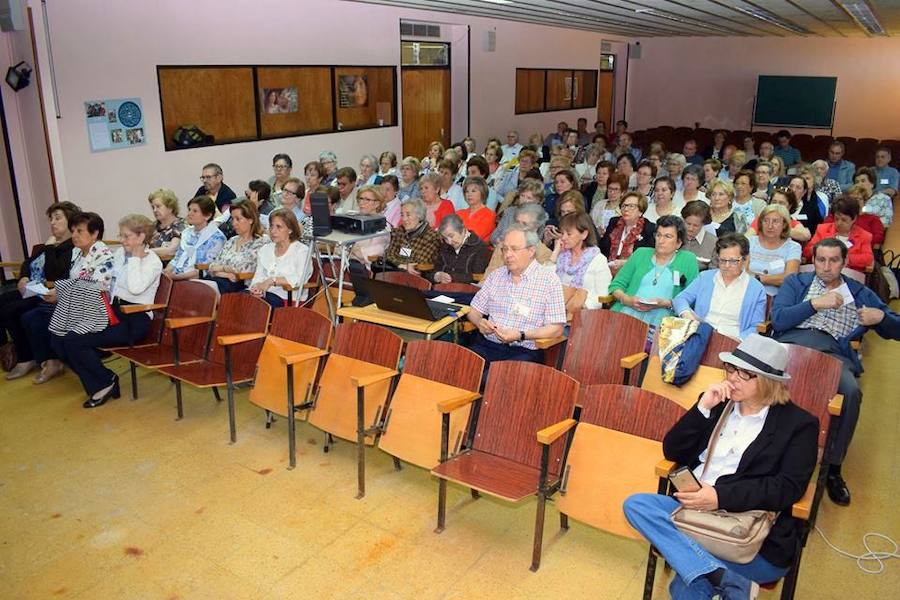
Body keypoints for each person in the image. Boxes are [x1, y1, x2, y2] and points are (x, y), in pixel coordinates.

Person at [623, 334, 818, 600]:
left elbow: (787, 487)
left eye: (744, 373)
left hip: (750, 538)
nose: (733, 378)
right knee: (636, 505)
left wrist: (718, 496)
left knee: (685, 589)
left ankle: (705, 571)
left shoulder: (799, 425)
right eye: (731, 368)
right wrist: (702, 408)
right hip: (693, 517)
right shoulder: (717, 403)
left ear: (769, 381)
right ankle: (719, 575)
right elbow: (673, 451)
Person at [771, 238, 900, 505]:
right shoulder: (797, 283)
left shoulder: (859, 292)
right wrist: (814, 304)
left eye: (833, 261)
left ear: (844, 262)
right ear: (813, 261)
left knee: (850, 392)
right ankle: (760, 448)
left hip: (832, 352)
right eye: (821, 260)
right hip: (791, 345)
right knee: (756, 375)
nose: (826, 266)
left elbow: (896, 328)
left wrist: (881, 318)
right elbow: (779, 320)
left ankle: (833, 467)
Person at [50, 214, 162, 408]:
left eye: (126, 236)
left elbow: (135, 288)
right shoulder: (119, 255)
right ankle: (102, 379)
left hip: (135, 319)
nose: (121, 240)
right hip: (112, 311)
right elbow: (107, 284)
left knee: (74, 340)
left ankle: (104, 383)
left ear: (141, 237)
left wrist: (136, 258)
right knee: (59, 337)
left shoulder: (153, 262)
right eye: (121, 235)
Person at [22, 212, 114, 385]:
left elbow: (97, 288)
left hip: (95, 309)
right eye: (73, 231)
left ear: (94, 233)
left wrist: (61, 293)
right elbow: (72, 281)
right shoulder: (77, 253)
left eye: (79, 231)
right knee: (34, 318)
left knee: (54, 332)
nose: (74, 235)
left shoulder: (104, 255)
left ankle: (100, 378)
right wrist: (56, 291)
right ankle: (97, 376)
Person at [467, 225, 566, 371]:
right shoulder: (496, 276)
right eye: (505, 249)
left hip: (523, 351)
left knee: (494, 378)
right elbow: (473, 310)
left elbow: (556, 329)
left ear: (531, 250)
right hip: (488, 345)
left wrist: (521, 335)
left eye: (514, 249)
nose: (508, 254)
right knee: (458, 368)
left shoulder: (549, 280)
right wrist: (479, 322)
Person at [2, 201, 80, 380]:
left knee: (12, 310)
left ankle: (26, 357)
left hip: (47, 291)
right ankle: (15, 350)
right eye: (51, 219)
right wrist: (23, 276)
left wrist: (50, 247)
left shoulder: (70, 246)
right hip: (31, 288)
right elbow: (28, 262)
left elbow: (54, 273)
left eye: (57, 218)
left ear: (70, 221)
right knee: (3, 301)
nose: (53, 222)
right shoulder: (50, 244)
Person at [608, 214, 698, 326]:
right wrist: (626, 299)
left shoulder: (688, 260)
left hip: (664, 321)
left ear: (678, 243)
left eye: (668, 236)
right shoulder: (640, 253)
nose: (661, 240)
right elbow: (616, 285)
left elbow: (693, 298)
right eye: (658, 235)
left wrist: (667, 303)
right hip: (627, 312)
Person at [674, 233, 766, 340]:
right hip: (701, 336)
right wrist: (686, 314)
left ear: (745, 259)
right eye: (722, 260)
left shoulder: (756, 289)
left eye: (733, 261)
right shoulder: (705, 278)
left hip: (733, 340)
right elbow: (680, 299)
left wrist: (739, 340)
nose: (727, 266)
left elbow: (755, 326)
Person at [249, 209, 312, 309]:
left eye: (278, 227)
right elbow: (258, 275)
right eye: (271, 226)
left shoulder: (302, 251)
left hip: (286, 298)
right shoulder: (265, 249)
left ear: (290, 230)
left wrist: (272, 281)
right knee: (239, 299)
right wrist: (256, 287)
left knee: (253, 307)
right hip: (263, 295)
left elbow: (299, 279)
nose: (273, 231)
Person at [550, 212, 611, 311]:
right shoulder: (562, 256)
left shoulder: (598, 260)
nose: (563, 238)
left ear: (584, 234)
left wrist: (582, 306)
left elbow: (603, 296)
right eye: (562, 233)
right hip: (555, 309)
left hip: (584, 313)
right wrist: (555, 252)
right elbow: (545, 281)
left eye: (569, 234)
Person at [205, 202, 269, 294]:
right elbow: (212, 266)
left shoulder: (261, 242)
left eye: (238, 219)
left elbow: (241, 270)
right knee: (195, 287)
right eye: (232, 219)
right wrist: (226, 273)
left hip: (240, 286)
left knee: (202, 292)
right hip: (218, 280)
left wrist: (220, 270)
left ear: (250, 220)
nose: (234, 223)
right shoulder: (231, 241)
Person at [165, 196, 226, 281]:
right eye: (189, 210)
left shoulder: (217, 238)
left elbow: (205, 269)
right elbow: (177, 258)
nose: (189, 214)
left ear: (207, 216)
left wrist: (177, 277)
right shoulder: (186, 233)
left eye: (195, 211)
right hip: (177, 276)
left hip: (198, 280)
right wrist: (166, 272)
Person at [804, 197, 874, 272]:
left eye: (844, 220)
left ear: (854, 219)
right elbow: (807, 251)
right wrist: (821, 251)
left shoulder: (864, 236)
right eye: (836, 219)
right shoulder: (822, 229)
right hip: (822, 271)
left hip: (849, 273)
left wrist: (841, 258)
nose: (839, 223)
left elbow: (868, 258)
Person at [748, 204, 801, 297]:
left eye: (775, 221)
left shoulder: (793, 247)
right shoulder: (749, 242)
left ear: (784, 225)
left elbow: (789, 279)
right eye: (766, 221)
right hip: (747, 292)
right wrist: (774, 279)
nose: (770, 226)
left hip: (776, 297)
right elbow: (741, 272)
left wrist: (758, 278)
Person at [600, 191, 656, 271]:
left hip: (633, 271)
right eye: (624, 206)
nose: (626, 209)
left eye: (631, 206)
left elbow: (648, 258)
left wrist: (627, 263)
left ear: (640, 211)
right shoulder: (614, 222)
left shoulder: (649, 229)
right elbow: (602, 248)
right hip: (608, 270)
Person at [384, 199, 441, 274]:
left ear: (420, 215)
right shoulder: (399, 231)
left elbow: (420, 262)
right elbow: (388, 254)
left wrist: (396, 262)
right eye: (402, 215)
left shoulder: (432, 237)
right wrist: (402, 265)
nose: (404, 219)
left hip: (417, 277)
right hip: (395, 272)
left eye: (408, 215)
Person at [431, 214, 490, 284]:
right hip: (442, 287)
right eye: (445, 238)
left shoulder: (479, 247)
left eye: (451, 236)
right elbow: (436, 268)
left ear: (462, 230)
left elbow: (478, 277)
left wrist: (452, 277)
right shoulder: (444, 245)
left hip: (465, 289)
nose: (449, 242)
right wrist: (436, 276)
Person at [746, 187, 811, 244]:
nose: (776, 206)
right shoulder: (761, 220)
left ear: (790, 206)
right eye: (774, 202)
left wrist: (780, 229)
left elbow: (806, 235)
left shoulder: (793, 223)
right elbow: (747, 238)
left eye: (781, 203)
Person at [492, 180, 545, 246]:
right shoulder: (509, 211)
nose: (524, 200)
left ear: (538, 201)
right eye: (522, 195)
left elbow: (536, 243)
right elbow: (494, 236)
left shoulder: (540, 217)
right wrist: (500, 241)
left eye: (529, 198)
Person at [348, 185, 391, 268]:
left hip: (366, 270)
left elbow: (369, 256)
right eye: (360, 198)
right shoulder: (354, 220)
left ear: (377, 204)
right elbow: (338, 249)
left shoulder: (382, 226)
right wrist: (353, 249)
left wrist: (350, 248)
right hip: (345, 264)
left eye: (367, 199)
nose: (362, 203)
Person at [456, 176, 496, 244]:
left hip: (473, 249)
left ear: (482, 192)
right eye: (467, 191)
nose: (469, 194)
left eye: (473, 191)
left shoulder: (489, 215)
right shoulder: (459, 213)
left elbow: (473, 239)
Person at [147, 189, 185, 256]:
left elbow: (172, 250)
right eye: (153, 207)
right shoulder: (152, 226)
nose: (155, 210)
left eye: (158, 206)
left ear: (170, 207)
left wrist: (145, 252)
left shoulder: (180, 225)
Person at [681, 200, 717, 270]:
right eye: (688, 224)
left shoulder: (713, 243)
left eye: (696, 225)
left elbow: (713, 272)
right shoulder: (674, 237)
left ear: (703, 224)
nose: (690, 229)